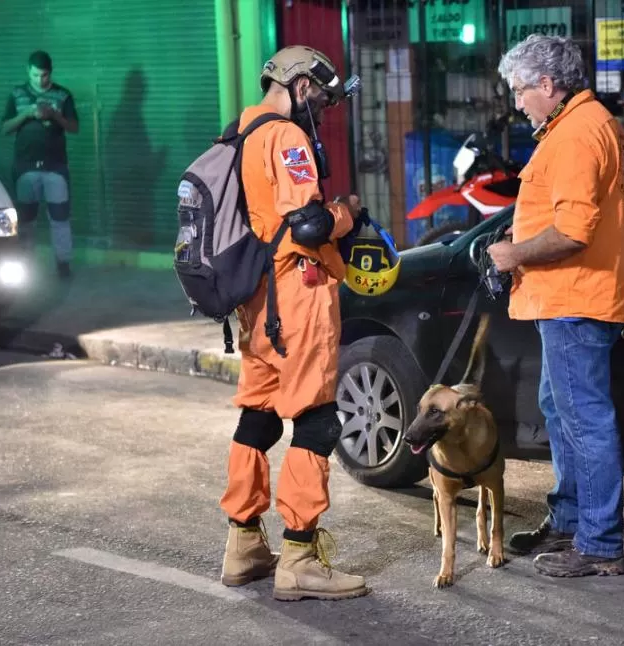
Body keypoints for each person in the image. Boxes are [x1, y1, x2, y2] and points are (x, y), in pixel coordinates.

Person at [217, 45, 369, 601]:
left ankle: (245, 543)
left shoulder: (238, 133)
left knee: (257, 416)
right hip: (297, 297)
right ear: (301, 86)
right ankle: (300, 557)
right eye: (321, 97)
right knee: (318, 418)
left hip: (256, 302)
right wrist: (348, 213)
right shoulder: (286, 136)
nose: (322, 109)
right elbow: (306, 225)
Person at [487, 35, 624, 578]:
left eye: (522, 90)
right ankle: (572, 520)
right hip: (573, 297)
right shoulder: (595, 125)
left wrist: (512, 254)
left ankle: (599, 543)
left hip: (576, 297)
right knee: (561, 410)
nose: (518, 101)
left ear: (548, 85)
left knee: (584, 419)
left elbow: (573, 231)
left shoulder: (576, 133)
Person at [1, 50, 79, 280]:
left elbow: (74, 127)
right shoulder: (17, 94)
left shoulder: (62, 95)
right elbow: (6, 128)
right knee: (26, 220)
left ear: (50, 73)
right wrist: (26, 113)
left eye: (44, 76)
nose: (40, 80)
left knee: (60, 218)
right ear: (28, 71)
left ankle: (63, 264)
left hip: (55, 168)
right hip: (25, 168)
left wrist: (54, 115)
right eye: (35, 75)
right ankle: (24, 266)